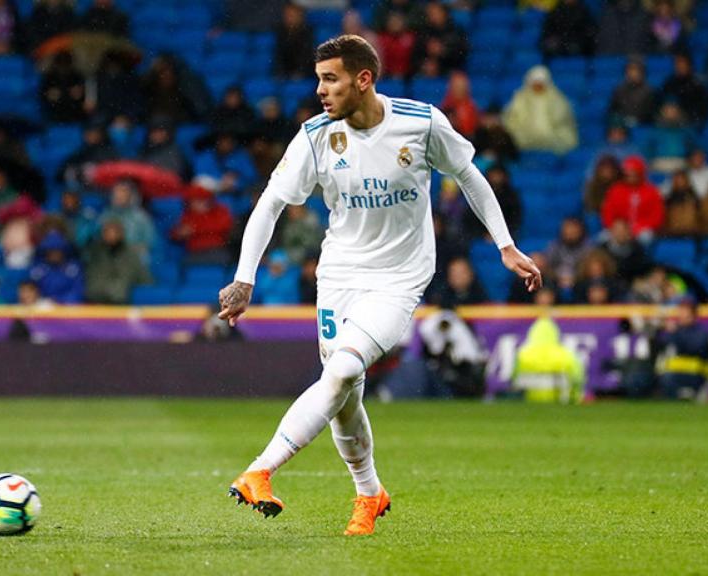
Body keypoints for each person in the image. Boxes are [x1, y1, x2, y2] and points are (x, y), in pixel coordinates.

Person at [218, 35, 540, 535]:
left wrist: (505, 245)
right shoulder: (316, 135)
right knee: (344, 393)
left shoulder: (421, 122)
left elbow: (470, 175)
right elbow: (271, 203)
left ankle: (261, 468)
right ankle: (369, 494)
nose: (320, 89)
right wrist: (244, 277)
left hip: (399, 278)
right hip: (339, 275)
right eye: (319, 78)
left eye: (331, 79)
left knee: (343, 368)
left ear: (363, 79)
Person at [502, 66, 578, 155]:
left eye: (540, 82)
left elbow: (562, 118)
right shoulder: (520, 98)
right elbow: (512, 118)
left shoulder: (557, 98)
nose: (538, 85)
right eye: (535, 82)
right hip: (525, 136)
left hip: (552, 135)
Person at [511, 316, 585, 403]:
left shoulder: (522, 354)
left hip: (530, 403)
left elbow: (514, 378)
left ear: (532, 333)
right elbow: (577, 379)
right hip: (559, 404)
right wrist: (574, 399)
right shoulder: (566, 355)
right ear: (555, 333)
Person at [654, 299, 708, 399]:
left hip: (696, 374)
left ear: (693, 315)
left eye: (685, 313)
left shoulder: (701, 332)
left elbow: (694, 348)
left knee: (669, 379)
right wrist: (659, 330)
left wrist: (675, 333)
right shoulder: (675, 331)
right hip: (673, 373)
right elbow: (660, 346)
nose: (681, 315)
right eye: (680, 312)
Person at [84, 219, 151, 304]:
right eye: (108, 233)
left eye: (114, 232)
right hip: (96, 302)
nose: (111, 236)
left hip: (120, 302)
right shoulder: (95, 253)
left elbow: (143, 277)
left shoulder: (131, 254)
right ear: (102, 234)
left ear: (121, 234)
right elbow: (92, 280)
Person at [601, 155, 665, 241]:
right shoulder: (616, 190)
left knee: (645, 238)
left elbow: (657, 217)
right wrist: (617, 227)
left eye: (634, 174)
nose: (631, 177)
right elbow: (607, 213)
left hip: (642, 229)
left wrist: (638, 227)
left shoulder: (651, 191)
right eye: (628, 174)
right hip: (618, 229)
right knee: (602, 239)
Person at [608, 59, 657, 127]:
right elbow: (612, 111)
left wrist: (637, 120)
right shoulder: (618, 91)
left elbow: (652, 113)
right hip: (622, 127)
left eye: (636, 71)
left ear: (642, 73)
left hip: (643, 126)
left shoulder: (650, 91)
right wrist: (622, 120)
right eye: (630, 70)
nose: (633, 74)